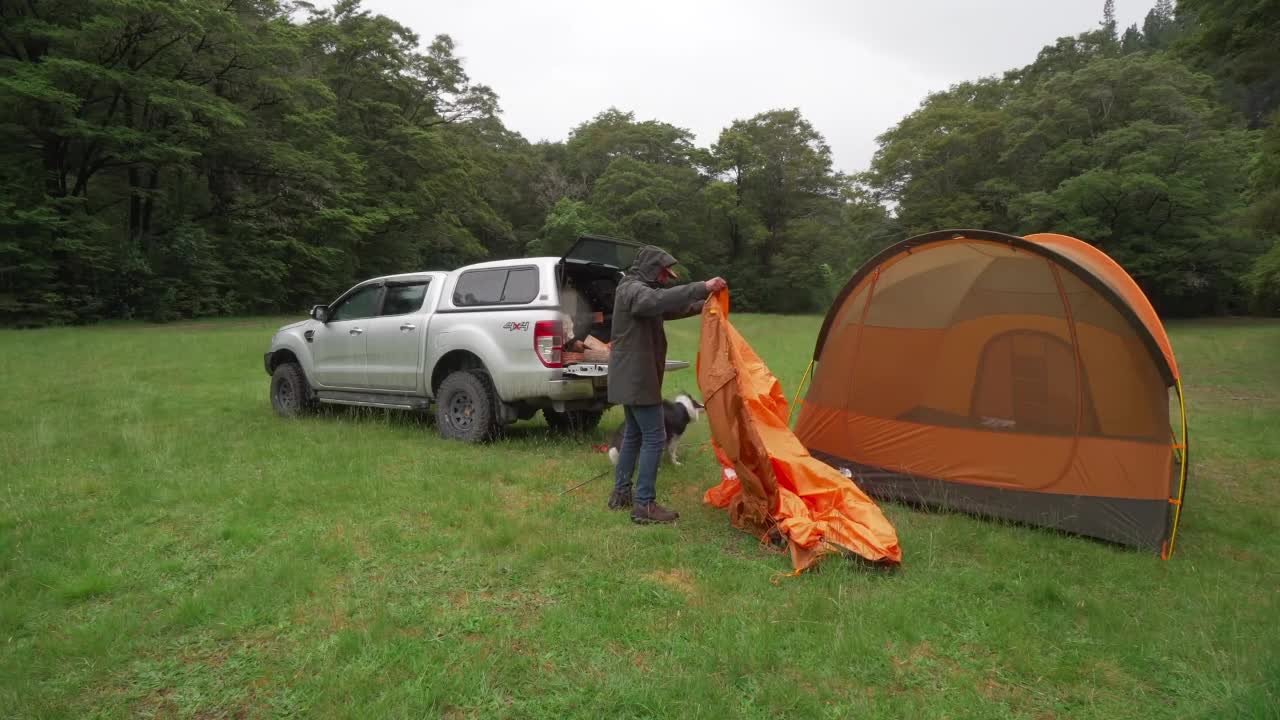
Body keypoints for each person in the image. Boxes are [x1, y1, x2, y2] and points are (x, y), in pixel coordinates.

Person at [607, 245, 727, 524]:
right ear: (651, 268)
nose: (665, 279)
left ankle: (621, 493)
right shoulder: (632, 289)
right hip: (637, 378)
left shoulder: (640, 291)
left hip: (631, 377)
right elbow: (654, 301)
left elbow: (667, 306)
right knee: (655, 436)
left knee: (635, 434)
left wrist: (704, 303)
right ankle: (645, 504)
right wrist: (702, 286)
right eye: (663, 274)